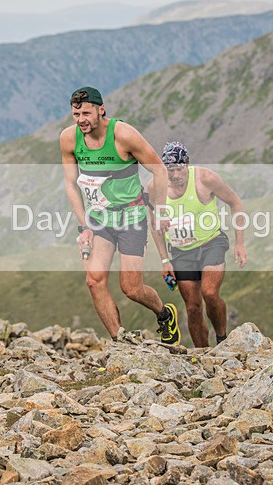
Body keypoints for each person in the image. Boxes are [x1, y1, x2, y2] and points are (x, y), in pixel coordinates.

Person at [60, 86, 180, 345]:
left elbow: (159, 170)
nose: (81, 120)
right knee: (94, 280)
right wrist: (84, 227)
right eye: (76, 114)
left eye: (86, 113)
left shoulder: (124, 135)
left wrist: (159, 211)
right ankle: (120, 340)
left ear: (101, 110)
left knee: (132, 288)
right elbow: (71, 184)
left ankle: (163, 314)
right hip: (98, 220)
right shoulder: (69, 139)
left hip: (130, 218)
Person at [148, 142, 248, 347]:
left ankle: (222, 339)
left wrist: (240, 243)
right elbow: (155, 224)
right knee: (193, 307)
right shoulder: (155, 187)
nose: (175, 175)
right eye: (170, 170)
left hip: (211, 243)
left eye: (179, 169)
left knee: (210, 292)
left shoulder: (205, 178)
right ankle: (202, 355)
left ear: (187, 165)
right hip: (181, 251)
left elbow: (235, 203)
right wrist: (164, 259)